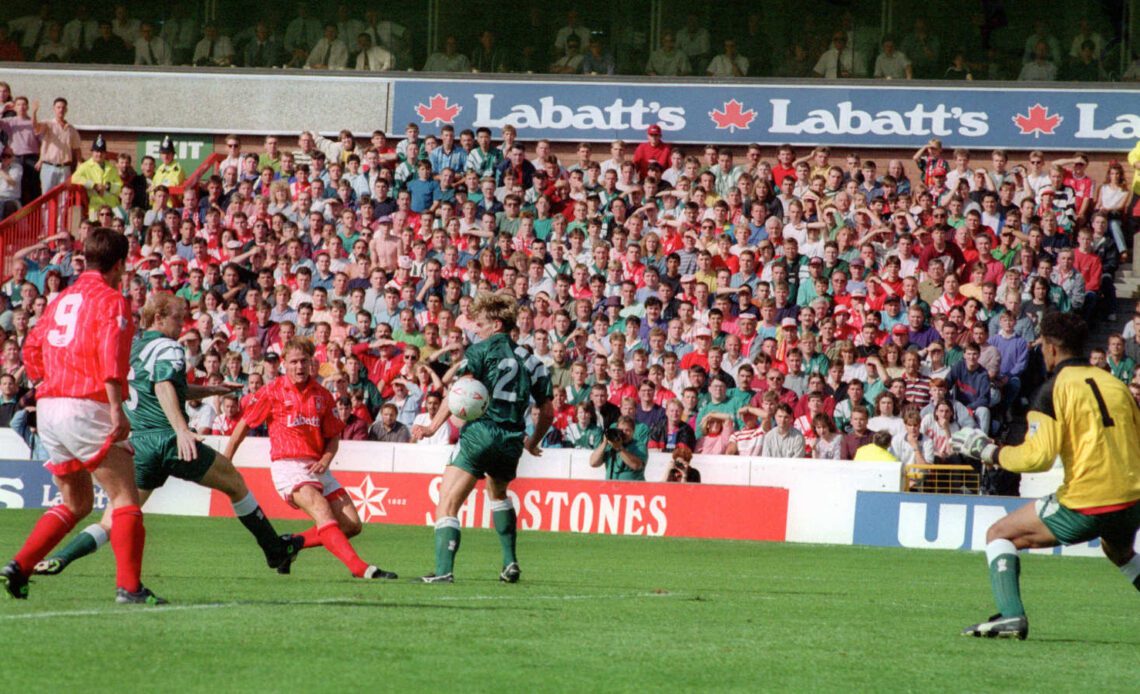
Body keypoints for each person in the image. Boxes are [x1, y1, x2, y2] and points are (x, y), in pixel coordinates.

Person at [34, 295, 302, 577]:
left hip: (140, 445)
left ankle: (61, 558)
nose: (182, 325)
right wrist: (182, 430)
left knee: (114, 516)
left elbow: (168, 387)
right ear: (159, 317)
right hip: (169, 439)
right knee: (235, 483)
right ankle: (274, 549)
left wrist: (212, 389)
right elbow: (163, 387)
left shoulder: (133, 349)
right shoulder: (170, 347)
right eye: (177, 317)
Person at [950, 312, 1140, 640]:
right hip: (1133, 499)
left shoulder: (1051, 390)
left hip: (1088, 502)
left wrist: (988, 451)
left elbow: (1037, 458)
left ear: (1050, 348)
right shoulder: (1117, 386)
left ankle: (1011, 616)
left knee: (1000, 534)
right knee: (1119, 551)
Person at [2, 228, 163, 605]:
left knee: (76, 502)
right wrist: (115, 408)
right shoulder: (112, 300)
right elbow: (111, 358)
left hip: (50, 407)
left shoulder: (61, 298)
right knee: (124, 498)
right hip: (86, 403)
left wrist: (44, 379)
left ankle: (20, 566)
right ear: (120, 264)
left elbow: (32, 345)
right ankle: (130, 588)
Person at [223, 338, 397, 581]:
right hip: (288, 465)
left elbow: (333, 436)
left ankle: (290, 545)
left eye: (303, 361)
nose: (299, 367)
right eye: (293, 362)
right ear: (284, 363)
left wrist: (326, 459)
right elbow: (244, 424)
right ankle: (361, 568)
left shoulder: (322, 395)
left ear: (312, 363)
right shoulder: (272, 391)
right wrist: (226, 460)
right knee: (323, 512)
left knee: (351, 525)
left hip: (317, 466)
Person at [411, 293, 553, 583]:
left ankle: (443, 571)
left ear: (497, 324)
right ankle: (510, 562)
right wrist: (533, 441)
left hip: (481, 433)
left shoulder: (480, 351)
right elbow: (547, 410)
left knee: (447, 501)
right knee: (498, 493)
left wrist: (432, 427)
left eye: (482, 324)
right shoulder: (534, 362)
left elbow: (459, 389)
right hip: (512, 440)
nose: (477, 329)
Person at [590, 415, 647, 481]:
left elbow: (636, 466)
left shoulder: (639, 446)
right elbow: (593, 463)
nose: (624, 433)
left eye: (627, 430)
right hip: (611, 488)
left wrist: (619, 448)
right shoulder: (610, 445)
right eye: (621, 430)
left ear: (633, 431)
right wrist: (604, 443)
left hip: (632, 488)